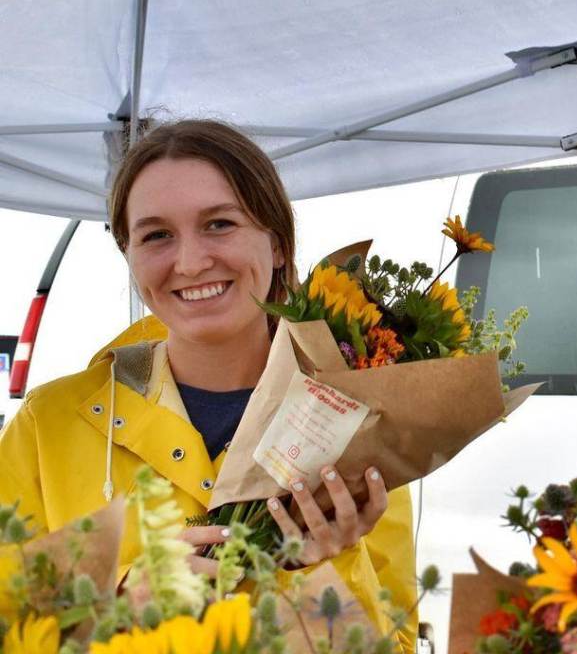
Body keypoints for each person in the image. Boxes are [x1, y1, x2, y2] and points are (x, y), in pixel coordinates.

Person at [0, 120, 417, 649]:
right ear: (129, 257)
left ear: (279, 245)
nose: (191, 262)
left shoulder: (358, 421)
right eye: (156, 235)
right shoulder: (49, 425)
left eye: (219, 224)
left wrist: (327, 565)